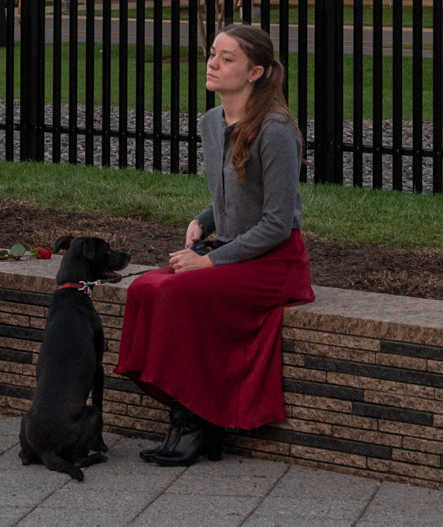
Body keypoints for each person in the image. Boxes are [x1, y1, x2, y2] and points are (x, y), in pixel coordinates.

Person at [115, 23, 314, 466]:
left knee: (174, 292)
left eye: (228, 58)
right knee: (144, 288)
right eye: (213, 54)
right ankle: (186, 414)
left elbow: (278, 223)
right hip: (229, 248)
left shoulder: (276, 129)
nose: (213, 63)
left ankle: (199, 424)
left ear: (255, 72)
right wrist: (203, 222)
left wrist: (210, 263)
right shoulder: (211, 121)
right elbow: (232, 192)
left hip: (274, 262)